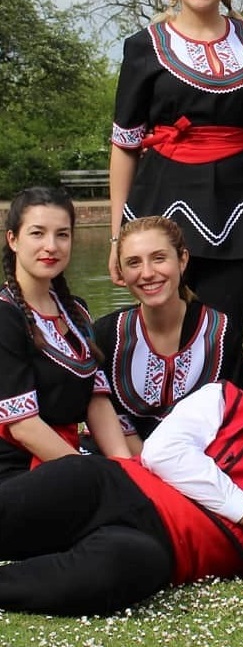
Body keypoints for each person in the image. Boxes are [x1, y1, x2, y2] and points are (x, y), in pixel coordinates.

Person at [0, 311, 243, 616]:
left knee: (119, 574)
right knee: (37, 499)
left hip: (162, 548)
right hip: (111, 486)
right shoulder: (224, 399)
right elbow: (161, 452)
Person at [109, 0, 243, 333]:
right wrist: (118, 238)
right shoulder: (143, 46)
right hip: (160, 205)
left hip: (241, 209)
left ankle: (224, 398)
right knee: (166, 334)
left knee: (227, 332)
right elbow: (125, 144)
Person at [0, 187, 130, 482]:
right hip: (17, 471)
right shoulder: (6, 316)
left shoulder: (76, 312)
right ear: (13, 239)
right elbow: (23, 426)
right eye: (37, 233)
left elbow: (96, 401)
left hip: (69, 461)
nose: (51, 246)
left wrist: (125, 468)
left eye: (62, 234)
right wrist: (100, 479)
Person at [94, 216, 243, 452]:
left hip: (202, 466)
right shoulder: (107, 335)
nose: (147, 273)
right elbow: (107, 418)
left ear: (182, 260)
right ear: (121, 271)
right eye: (133, 263)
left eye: (159, 258)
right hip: (123, 463)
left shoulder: (221, 334)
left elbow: (232, 418)